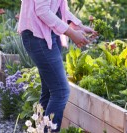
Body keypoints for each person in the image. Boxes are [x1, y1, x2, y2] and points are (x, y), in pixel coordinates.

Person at [18, 0, 97, 132]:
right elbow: (43, 11)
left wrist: (78, 26)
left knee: (49, 91)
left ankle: (41, 130)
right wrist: (71, 33)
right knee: (61, 91)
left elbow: (56, 8)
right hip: (38, 36)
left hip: (46, 34)